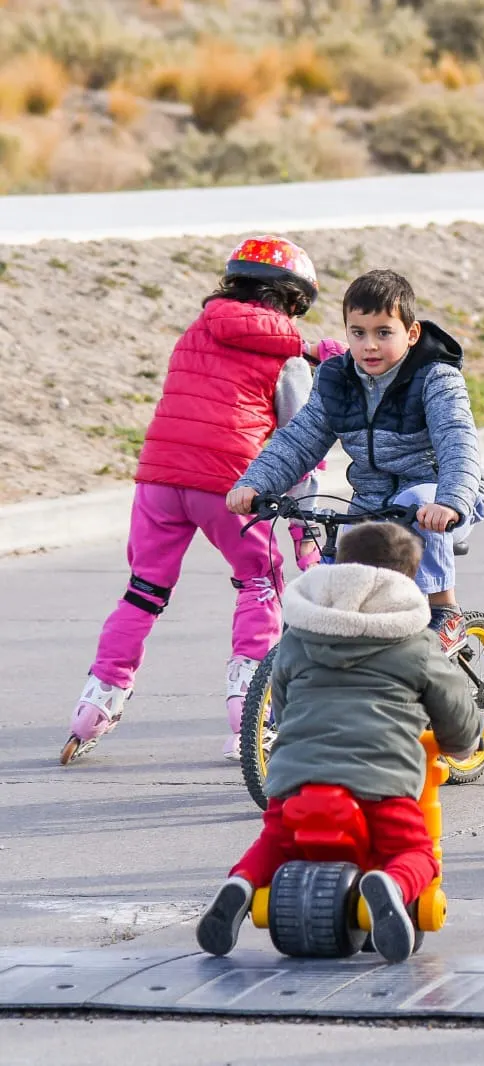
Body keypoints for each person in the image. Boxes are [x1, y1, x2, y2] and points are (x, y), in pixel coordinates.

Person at [60, 236, 322, 767]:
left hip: (159, 475)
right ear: (292, 302)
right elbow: (302, 442)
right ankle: (250, 714)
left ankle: (97, 701)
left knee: (143, 591)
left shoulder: (195, 332)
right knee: (258, 581)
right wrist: (305, 533)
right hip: (233, 483)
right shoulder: (292, 355)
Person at [195, 521, 481, 964]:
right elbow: (456, 713)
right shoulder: (416, 641)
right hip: (379, 780)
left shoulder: (300, 635)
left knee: (276, 839)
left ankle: (243, 883)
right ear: (406, 580)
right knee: (415, 852)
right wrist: (460, 744)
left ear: (340, 568)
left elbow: (284, 705)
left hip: (295, 775)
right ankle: (392, 884)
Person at [227, 270, 484, 657]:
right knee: (334, 584)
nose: (369, 345)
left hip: (443, 499)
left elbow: (458, 444)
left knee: (420, 496)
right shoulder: (338, 379)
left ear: (411, 334)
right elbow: (300, 439)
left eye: (384, 332)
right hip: (374, 501)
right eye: (358, 332)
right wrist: (256, 484)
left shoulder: (436, 378)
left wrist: (450, 501)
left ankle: (444, 610)